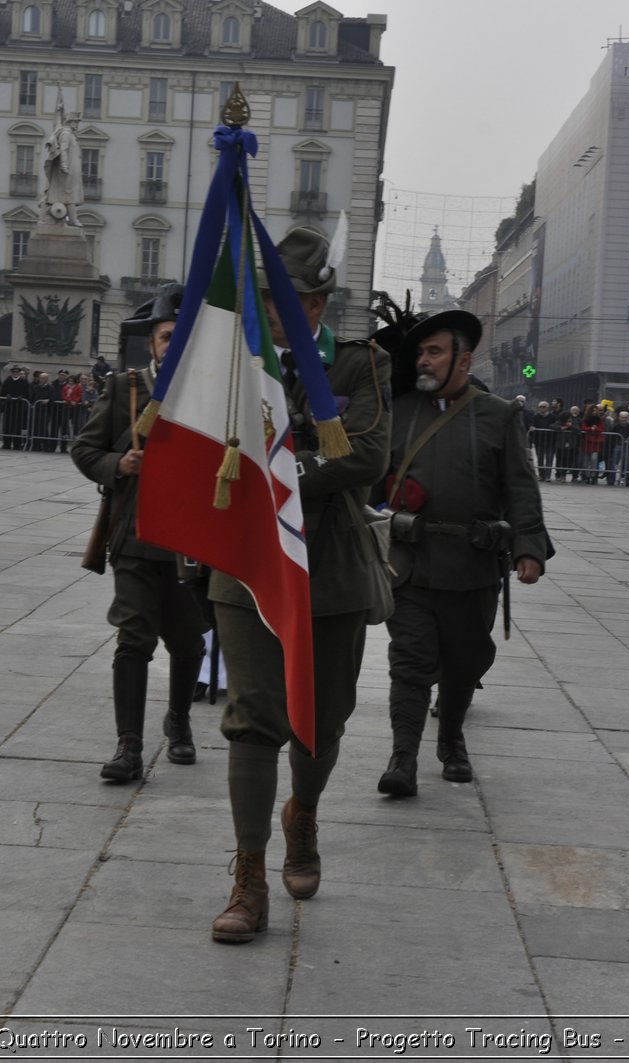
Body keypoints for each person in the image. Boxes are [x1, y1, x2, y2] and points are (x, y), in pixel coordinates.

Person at [203, 226, 390, 944]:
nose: (278, 315)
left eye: (291, 303)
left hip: (331, 566)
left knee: (326, 717)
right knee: (253, 715)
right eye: (269, 303)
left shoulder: (358, 364)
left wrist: (280, 473)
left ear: (316, 305)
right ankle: (249, 877)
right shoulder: (233, 363)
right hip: (250, 561)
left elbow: (366, 454)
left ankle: (302, 813)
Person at [375, 309, 552, 798]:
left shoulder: (499, 414)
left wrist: (529, 548)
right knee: (409, 661)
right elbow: (368, 476)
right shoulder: (399, 410)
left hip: (473, 565)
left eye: (435, 351)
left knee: (464, 662)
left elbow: (521, 486)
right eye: (420, 353)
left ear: (463, 358)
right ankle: (402, 758)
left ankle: (451, 740)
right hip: (409, 560)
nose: (425, 361)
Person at [72, 285, 209, 781]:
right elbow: (84, 451)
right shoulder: (126, 388)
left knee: (190, 643)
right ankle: (128, 745)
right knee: (133, 641)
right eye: (166, 337)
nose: (172, 344)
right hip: (133, 537)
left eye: (181, 337)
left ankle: (179, 722)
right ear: (152, 343)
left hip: (190, 542)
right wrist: (119, 463)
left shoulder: (210, 398)